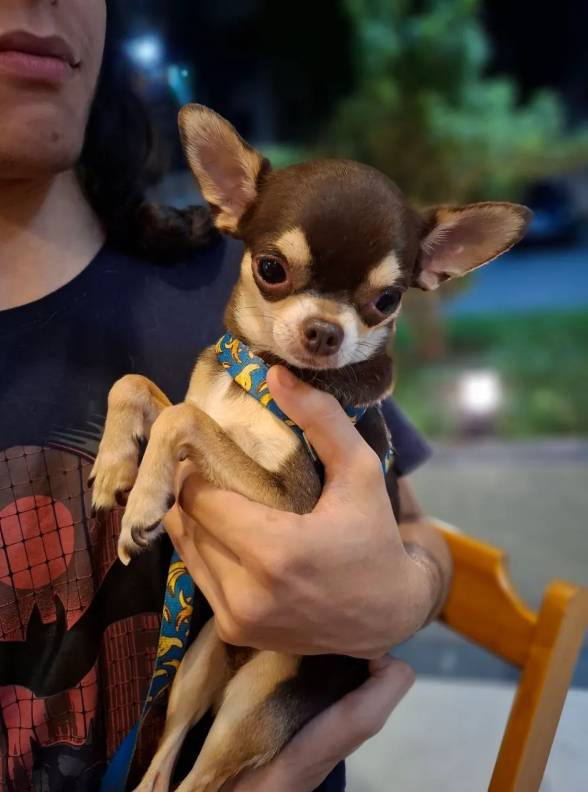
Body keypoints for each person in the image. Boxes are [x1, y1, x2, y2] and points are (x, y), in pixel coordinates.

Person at [0, 2, 452, 790]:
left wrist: (406, 595)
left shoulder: (235, 290)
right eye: (278, 273)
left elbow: (411, 527)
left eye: (378, 302)